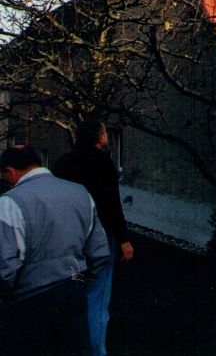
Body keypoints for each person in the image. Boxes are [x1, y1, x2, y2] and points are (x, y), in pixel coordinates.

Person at [0, 145, 110, 356]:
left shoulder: (10, 202)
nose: (6, 182)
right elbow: (99, 252)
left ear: (11, 171)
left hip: (28, 301)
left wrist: (10, 298)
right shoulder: (80, 192)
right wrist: (78, 283)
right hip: (72, 293)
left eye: (5, 177)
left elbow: (4, 267)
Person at [54, 120, 134, 356]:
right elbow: (112, 205)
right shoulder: (104, 164)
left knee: (75, 289)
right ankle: (95, 350)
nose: (107, 136)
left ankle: (73, 346)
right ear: (99, 138)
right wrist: (123, 239)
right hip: (97, 241)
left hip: (69, 239)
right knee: (97, 297)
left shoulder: (63, 163)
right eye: (105, 133)